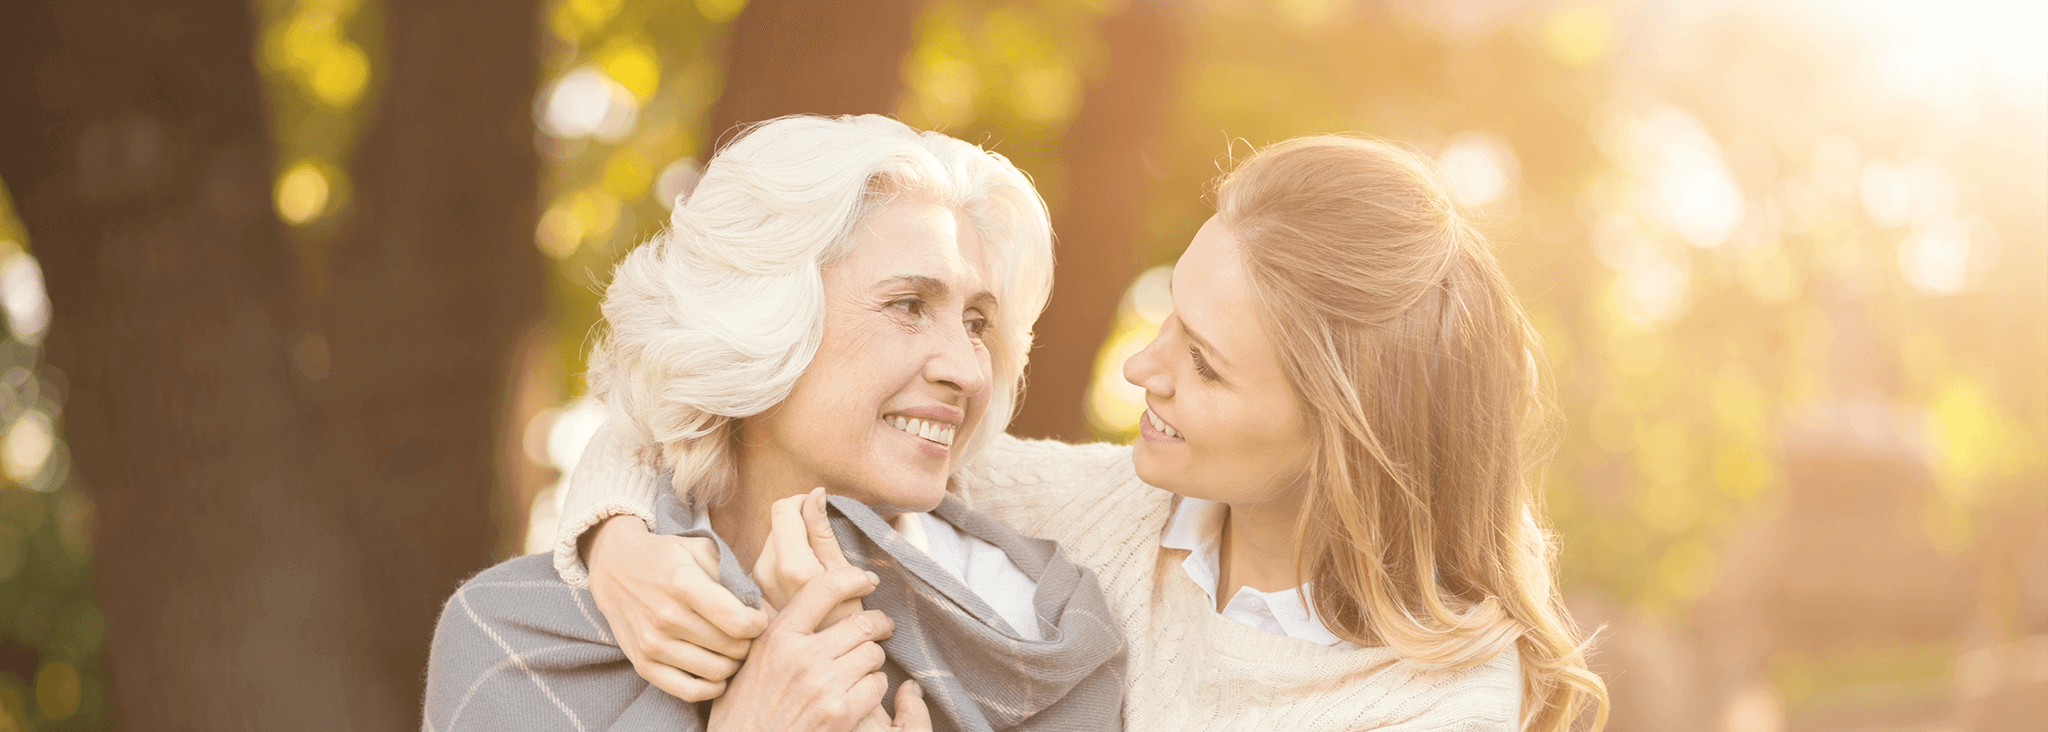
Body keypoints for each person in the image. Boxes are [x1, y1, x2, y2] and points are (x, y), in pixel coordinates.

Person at [563, 134, 1613, 731]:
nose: (1142, 369)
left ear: (1342, 437)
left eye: (1202, 364)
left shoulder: (1438, 704)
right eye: (1172, 319)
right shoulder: (1107, 516)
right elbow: (755, 409)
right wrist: (618, 539)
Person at [422, 114, 1125, 732]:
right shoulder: (516, 640)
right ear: (759, 324)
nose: (971, 371)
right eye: (909, 304)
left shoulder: (1042, 628)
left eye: (977, 322)